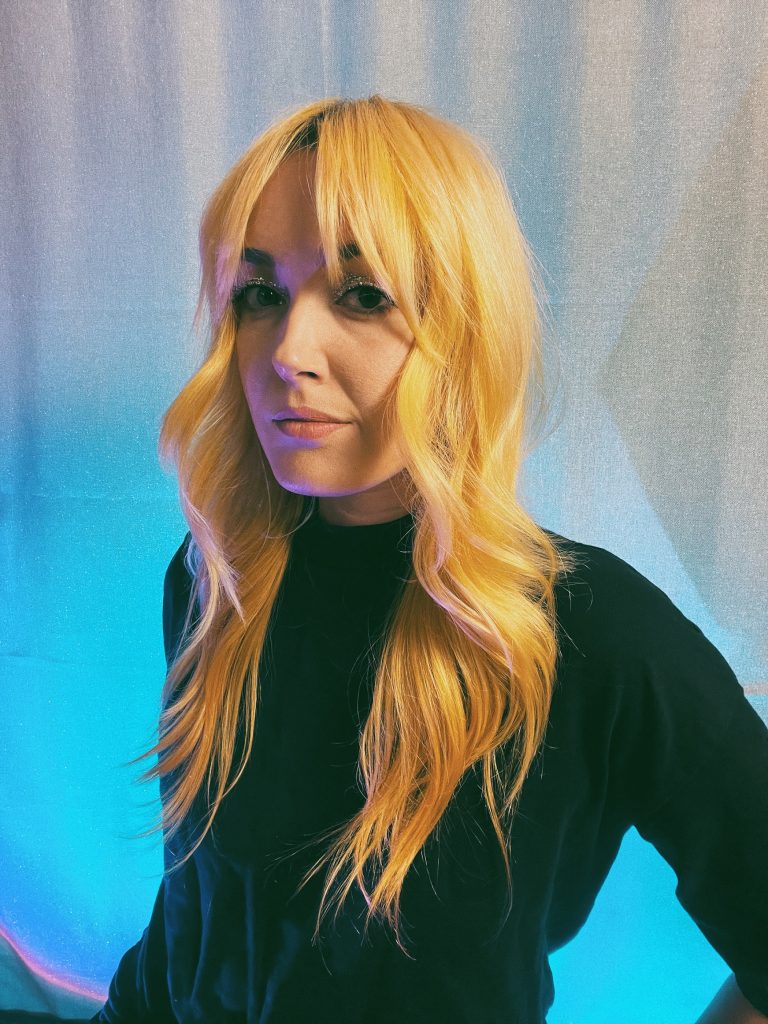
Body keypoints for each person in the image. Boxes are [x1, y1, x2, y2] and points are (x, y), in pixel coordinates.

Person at [91, 95, 768, 1023]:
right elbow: (197, 910)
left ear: (463, 324)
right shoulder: (217, 578)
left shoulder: (589, 634)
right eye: (259, 294)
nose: (289, 352)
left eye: (362, 295)